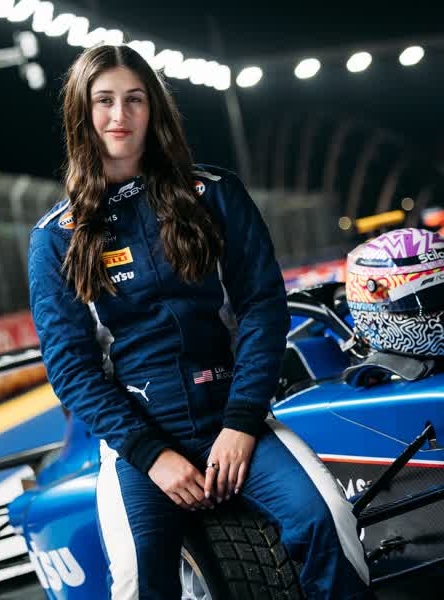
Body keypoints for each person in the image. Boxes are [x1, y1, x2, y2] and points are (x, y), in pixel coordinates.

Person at [28, 44, 371, 599]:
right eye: (104, 101)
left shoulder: (214, 193)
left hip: (233, 418)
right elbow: (70, 368)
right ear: (81, 114)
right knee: (138, 579)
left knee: (329, 519)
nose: (120, 115)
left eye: (135, 99)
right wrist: (153, 457)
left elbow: (263, 305)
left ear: (154, 108)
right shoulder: (56, 237)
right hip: (140, 442)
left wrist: (241, 422)